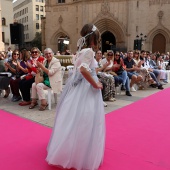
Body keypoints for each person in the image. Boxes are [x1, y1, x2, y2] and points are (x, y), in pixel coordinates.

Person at [46, 24, 105, 170]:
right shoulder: (89, 51)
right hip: (86, 89)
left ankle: (73, 150)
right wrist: (95, 84)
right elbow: (84, 70)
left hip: (79, 88)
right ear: (94, 37)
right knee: (86, 120)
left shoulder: (81, 51)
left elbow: (86, 68)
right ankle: (81, 154)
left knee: (74, 119)